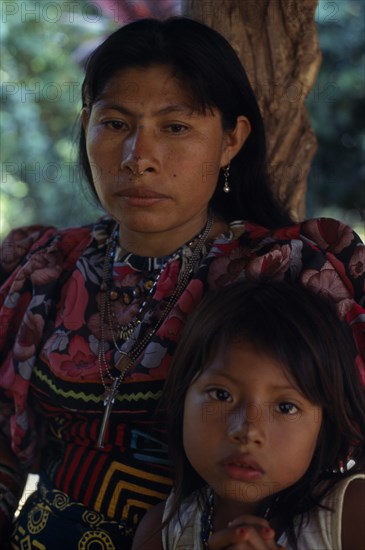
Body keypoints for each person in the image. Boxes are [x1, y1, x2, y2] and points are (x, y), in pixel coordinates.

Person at [0, 16, 364, 550]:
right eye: (117, 124)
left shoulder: (289, 276)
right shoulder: (43, 271)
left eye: (175, 127)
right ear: (86, 125)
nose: (139, 159)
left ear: (231, 140)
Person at [132, 280, 365, 550]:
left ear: (324, 425)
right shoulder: (162, 532)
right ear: (182, 397)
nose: (247, 430)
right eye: (222, 395)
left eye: (285, 407)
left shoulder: (349, 514)